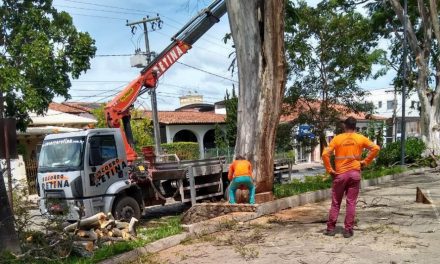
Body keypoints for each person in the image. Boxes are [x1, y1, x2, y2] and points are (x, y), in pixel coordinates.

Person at [322, 117, 380, 238]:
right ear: (355, 126)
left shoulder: (337, 139)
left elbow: (324, 154)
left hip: (340, 175)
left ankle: (331, 228)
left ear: (345, 126)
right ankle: (348, 230)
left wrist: (330, 170)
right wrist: (365, 162)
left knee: (336, 202)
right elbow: (376, 148)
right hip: (354, 174)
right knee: (351, 202)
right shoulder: (360, 138)